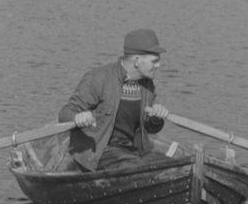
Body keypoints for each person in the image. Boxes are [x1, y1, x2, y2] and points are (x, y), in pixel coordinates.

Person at [59, 29, 172, 171]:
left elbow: (150, 128)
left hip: (132, 150)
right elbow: (65, 113)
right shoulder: (98, 79)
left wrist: (156, 118)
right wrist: (78, 117)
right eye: (154, 61)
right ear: (137, 61)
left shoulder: (148, 85)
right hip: (100, 151)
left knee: (172, 164)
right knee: (134, 167)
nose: (158, 66)